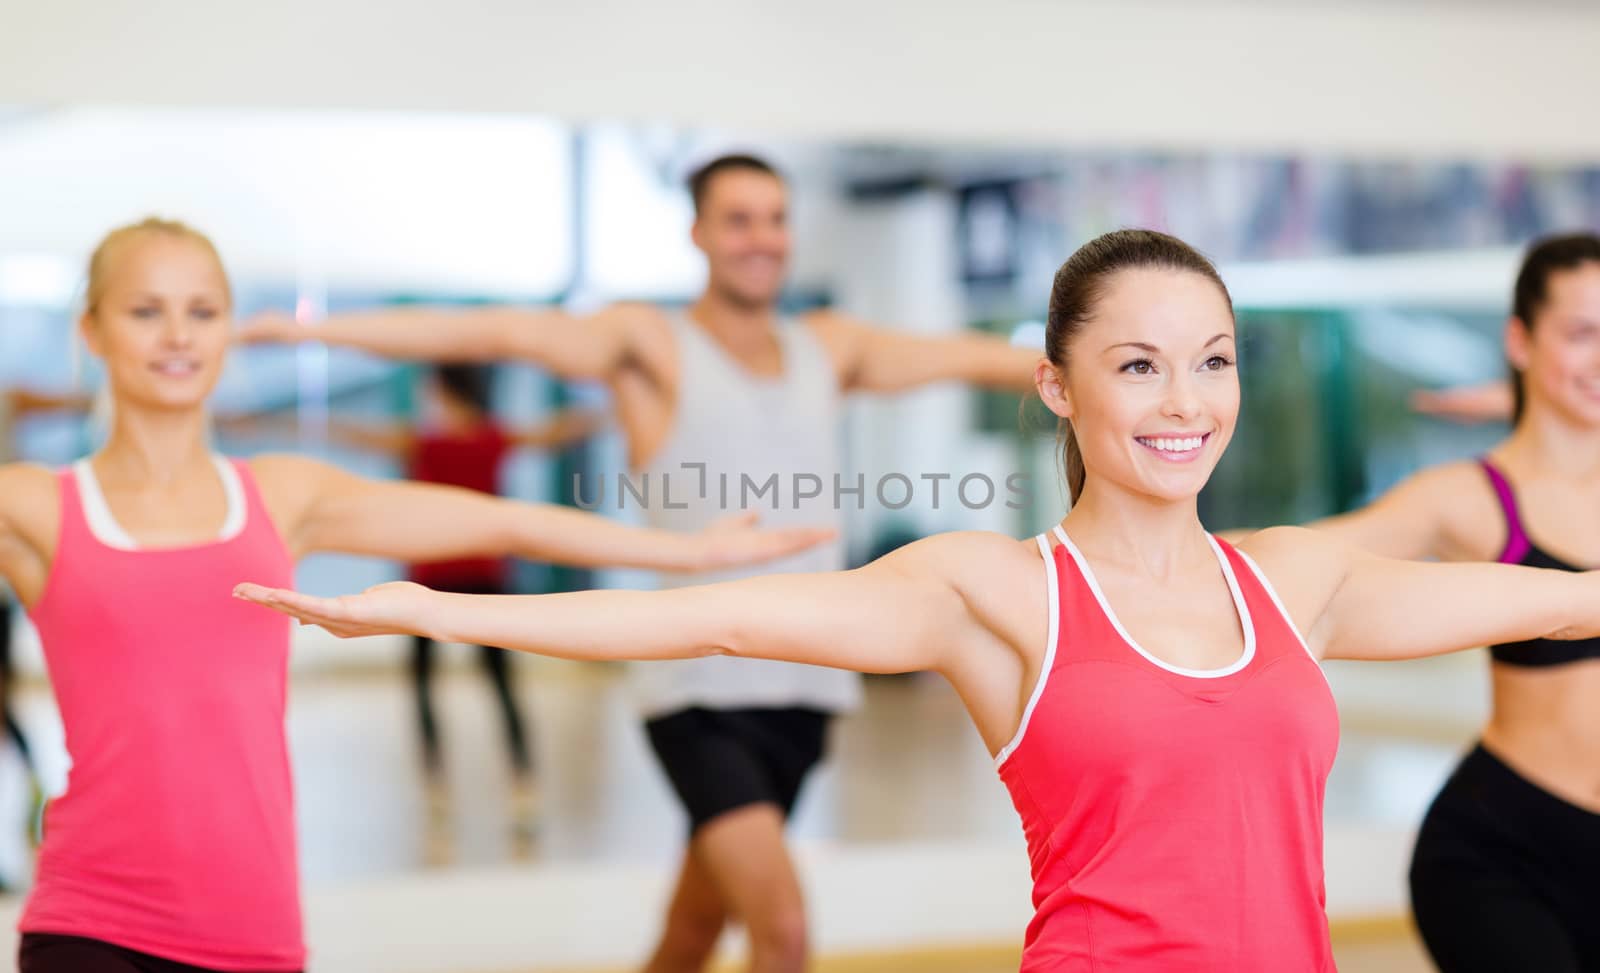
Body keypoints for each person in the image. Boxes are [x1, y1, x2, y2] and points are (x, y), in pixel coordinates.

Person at [238, 228, 1600, 973]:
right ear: (1057, 387)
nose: (1186, 402)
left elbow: (1548, 605)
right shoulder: (992, 593)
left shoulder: (1300, 578)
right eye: (1138, 366)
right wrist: (441, 612)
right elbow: (712, 619)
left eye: (1213, 361)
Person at [240, 152, 1042, 973]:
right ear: (697, 232)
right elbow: (495, 332)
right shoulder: (649, 342)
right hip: (698, 689)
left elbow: (979, 358)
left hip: (807, 686)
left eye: (775, 217)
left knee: (692, 930)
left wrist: (1122, 368)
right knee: (784, 930)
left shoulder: (829, 346)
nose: (761, 238)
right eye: (738, 219)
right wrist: (308, 331)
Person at [0, 217, 829, 973]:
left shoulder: (283, 495)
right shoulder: (37, 506)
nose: (178, 334)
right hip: (91, 921)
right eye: (146, 310)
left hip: (252, 927)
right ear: (91, 331)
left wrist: (686, 548)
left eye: (203, 311)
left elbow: (505, 524)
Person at [1269, 233, 1600, 971]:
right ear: (1519, 339)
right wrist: (1136, 554)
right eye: (1581, 333)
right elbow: (1307, 557)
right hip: (1505, 853)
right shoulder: (1471, 498)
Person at [319, 363, 602, 863]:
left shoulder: (433, 442)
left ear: (447, 393)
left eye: (433, 393)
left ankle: (455, 789)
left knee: (444, 688)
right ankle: (510, 785)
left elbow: (360, 435)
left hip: (453, 585)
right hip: (451, 585)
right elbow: (552, 431)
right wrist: (603, 409)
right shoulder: (482, 439)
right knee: (490, 687)